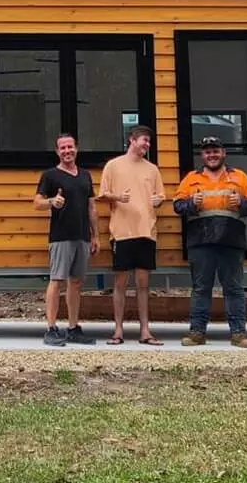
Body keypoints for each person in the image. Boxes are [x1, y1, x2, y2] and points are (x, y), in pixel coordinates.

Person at [173, 135, 247, 348]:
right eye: (207, 151)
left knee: (234, 289)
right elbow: (177, 206)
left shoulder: (240, 177)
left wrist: (241, 203)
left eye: (215, 151)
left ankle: (239, 334)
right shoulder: (191, 179)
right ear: (202, 155)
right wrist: (191, 203)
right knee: (201, 289)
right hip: (201, 242)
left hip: (231, 241)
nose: (212, 155)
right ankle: (197, 333)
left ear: (223, 153)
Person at [98, 124, 166, 346]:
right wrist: (118, 197)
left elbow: (160, 196)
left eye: (149, 141)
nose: (147, 144)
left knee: (143, 284)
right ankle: (118, 330)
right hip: (122, 232)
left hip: (146, 231)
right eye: (144, 140)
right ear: (132, 140)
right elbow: (102, 195)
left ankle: (145, 330)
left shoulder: (152, 169)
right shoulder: (113, 166)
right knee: (120, 283)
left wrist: (158, 200)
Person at [34, 132, 99, 346]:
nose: (67, 151)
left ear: (76, 149)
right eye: (62, 148)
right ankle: (51, 329)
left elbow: (91, 206)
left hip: (82, 236)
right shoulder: (50, 175)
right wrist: (52, 201)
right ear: (57, 151)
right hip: (60, 236)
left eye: (70, 147)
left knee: (76, 283)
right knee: (57, 280)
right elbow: (37, 202)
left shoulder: (85, 176)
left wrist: (95, 235)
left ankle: (73, 328)